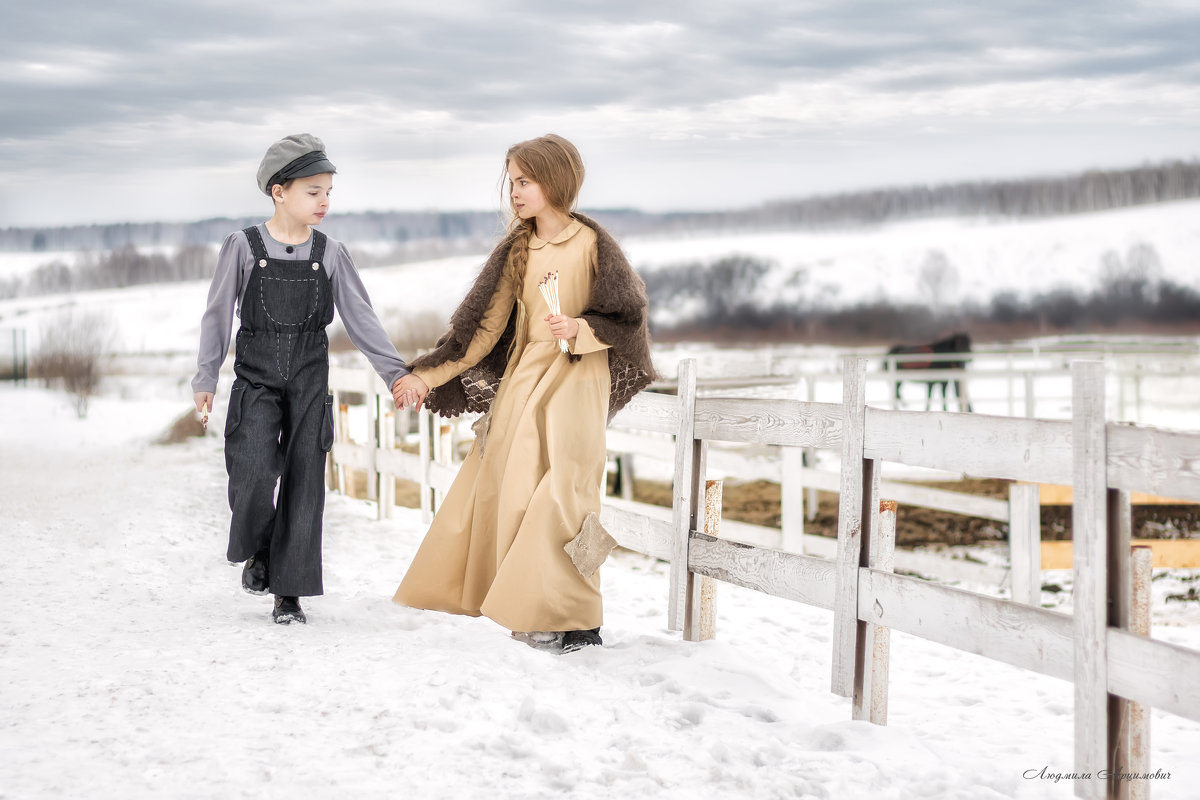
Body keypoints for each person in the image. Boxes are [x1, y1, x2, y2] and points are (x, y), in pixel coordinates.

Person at [390, 133, 655, 652]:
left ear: (555, 181)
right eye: (512, 182)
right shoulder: (516, 251)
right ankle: (527, 608)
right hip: (524, 383)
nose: (514, 192)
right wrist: (425, 376)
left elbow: (627, 319)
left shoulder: (592, 243)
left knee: (567, 495)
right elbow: (480, 334)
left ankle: (579, 617)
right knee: (510, 491)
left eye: (525, 181)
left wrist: (579, 328)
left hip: (578, 380)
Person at [192, 133, 417, 625]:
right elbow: (216, 316)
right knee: (250, 473)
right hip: (255, 377)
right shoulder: (243, 247)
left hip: (310, 378)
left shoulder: (330, 252)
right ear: (279, 191)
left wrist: (395, 374)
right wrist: (205, 377)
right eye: (313, 191)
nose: (324, 202)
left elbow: (362, 319)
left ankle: (288, 593)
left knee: (304, 483)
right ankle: (265, 550)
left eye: (328, 192)